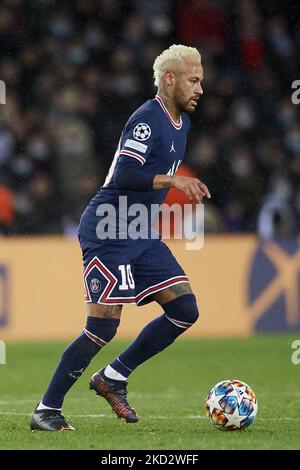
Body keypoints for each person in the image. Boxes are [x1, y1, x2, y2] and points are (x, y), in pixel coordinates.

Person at [30, 44, 210, 431]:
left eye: (201, 81)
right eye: (193, 80)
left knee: (184, 309)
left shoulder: (183, 124)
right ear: (169, 78)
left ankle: (114, 377)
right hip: (108, 229)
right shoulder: (147, 119)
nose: (200, 89)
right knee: (102, 327)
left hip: (142, 233)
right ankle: (46, 410)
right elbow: (125, 175)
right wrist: (174, 180)